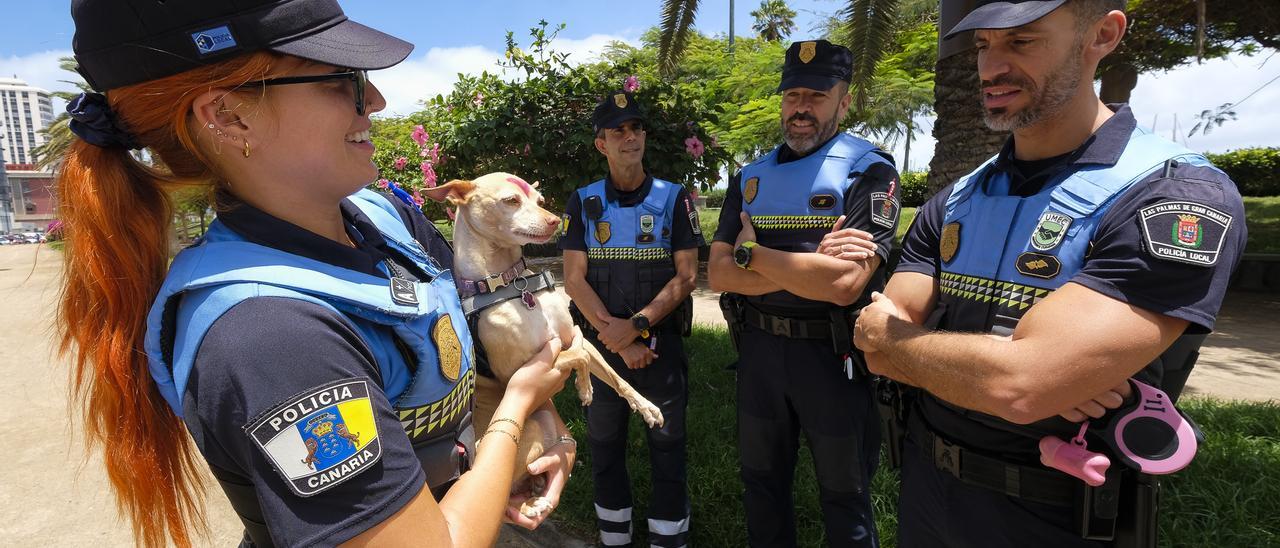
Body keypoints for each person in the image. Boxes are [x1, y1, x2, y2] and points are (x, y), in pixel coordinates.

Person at [55, 1, 575, 547]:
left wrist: (549, 432)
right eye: (342, 82)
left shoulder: (385, 219)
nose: (375, 100)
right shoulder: (271, 337)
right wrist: (515, 413)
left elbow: (481, 343)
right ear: (228, 117)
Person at [853, 1, 1246, 546]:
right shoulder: (956, 200)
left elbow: (1020, 386)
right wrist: (1009, 368)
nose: (991, 68)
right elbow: (873, 349)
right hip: (928, 488)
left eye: (1022, 41)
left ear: (1102, 35)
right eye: (984, 45)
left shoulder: (1172, 195)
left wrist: (906, 344)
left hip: (1061, 509)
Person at [708, 40, 900, 547]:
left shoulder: (870, 171)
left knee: (845, 494)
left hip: (832, 356)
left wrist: (753, 254)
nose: (801, 108)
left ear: (845, 100)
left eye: (817, 95)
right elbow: (718, 274)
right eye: (792, 94)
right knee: (761, 486)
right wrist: (810, 264)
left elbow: (843, 286)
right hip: (760, 353)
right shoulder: (750, 178)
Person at [560, 91, 702, 548]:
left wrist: (638, 327)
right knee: (604, 445)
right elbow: (574, 280)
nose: (630, 137)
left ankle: (668, 539)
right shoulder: (582, 203)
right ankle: (614, 537)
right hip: (603, 351)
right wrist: (618, 339)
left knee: (667, 444)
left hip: (660, 347)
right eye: (618, 131)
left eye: (636, 128)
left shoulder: (674, 199)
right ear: (601, 144)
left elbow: (686, 276)